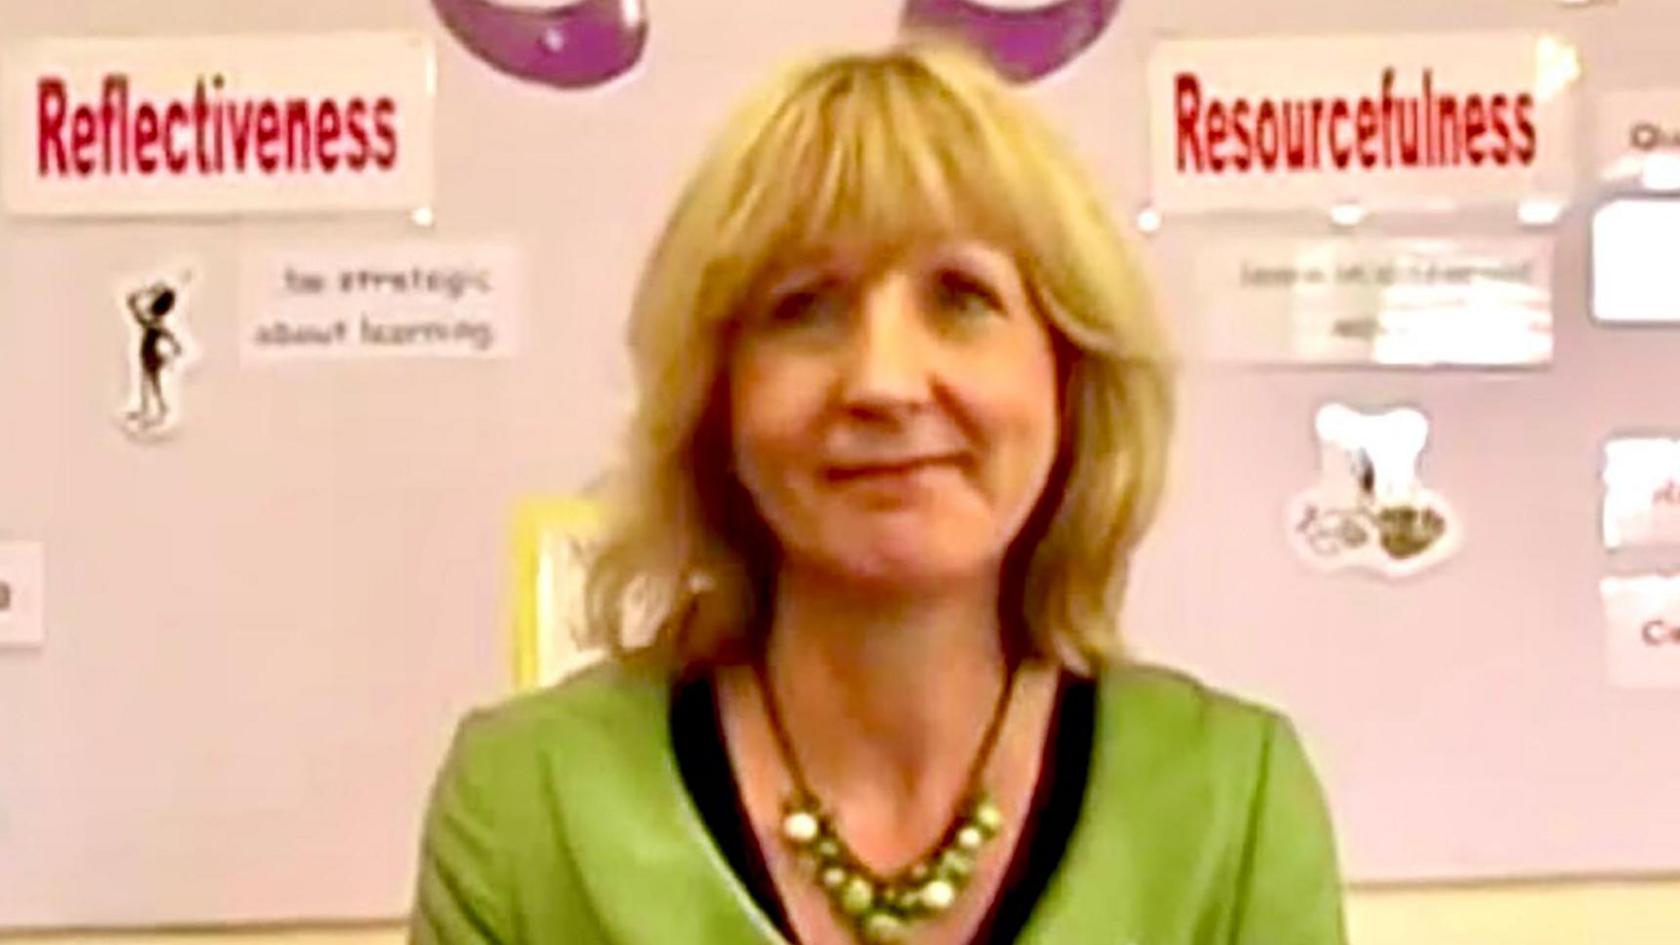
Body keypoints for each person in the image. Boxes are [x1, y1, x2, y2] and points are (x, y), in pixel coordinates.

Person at [411, 39, 1346, 945]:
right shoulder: (525, 810)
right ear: (717, 401)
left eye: (960, 297)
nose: (884, 382)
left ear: (1068, 377)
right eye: (804, 307)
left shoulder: (1234, 806)